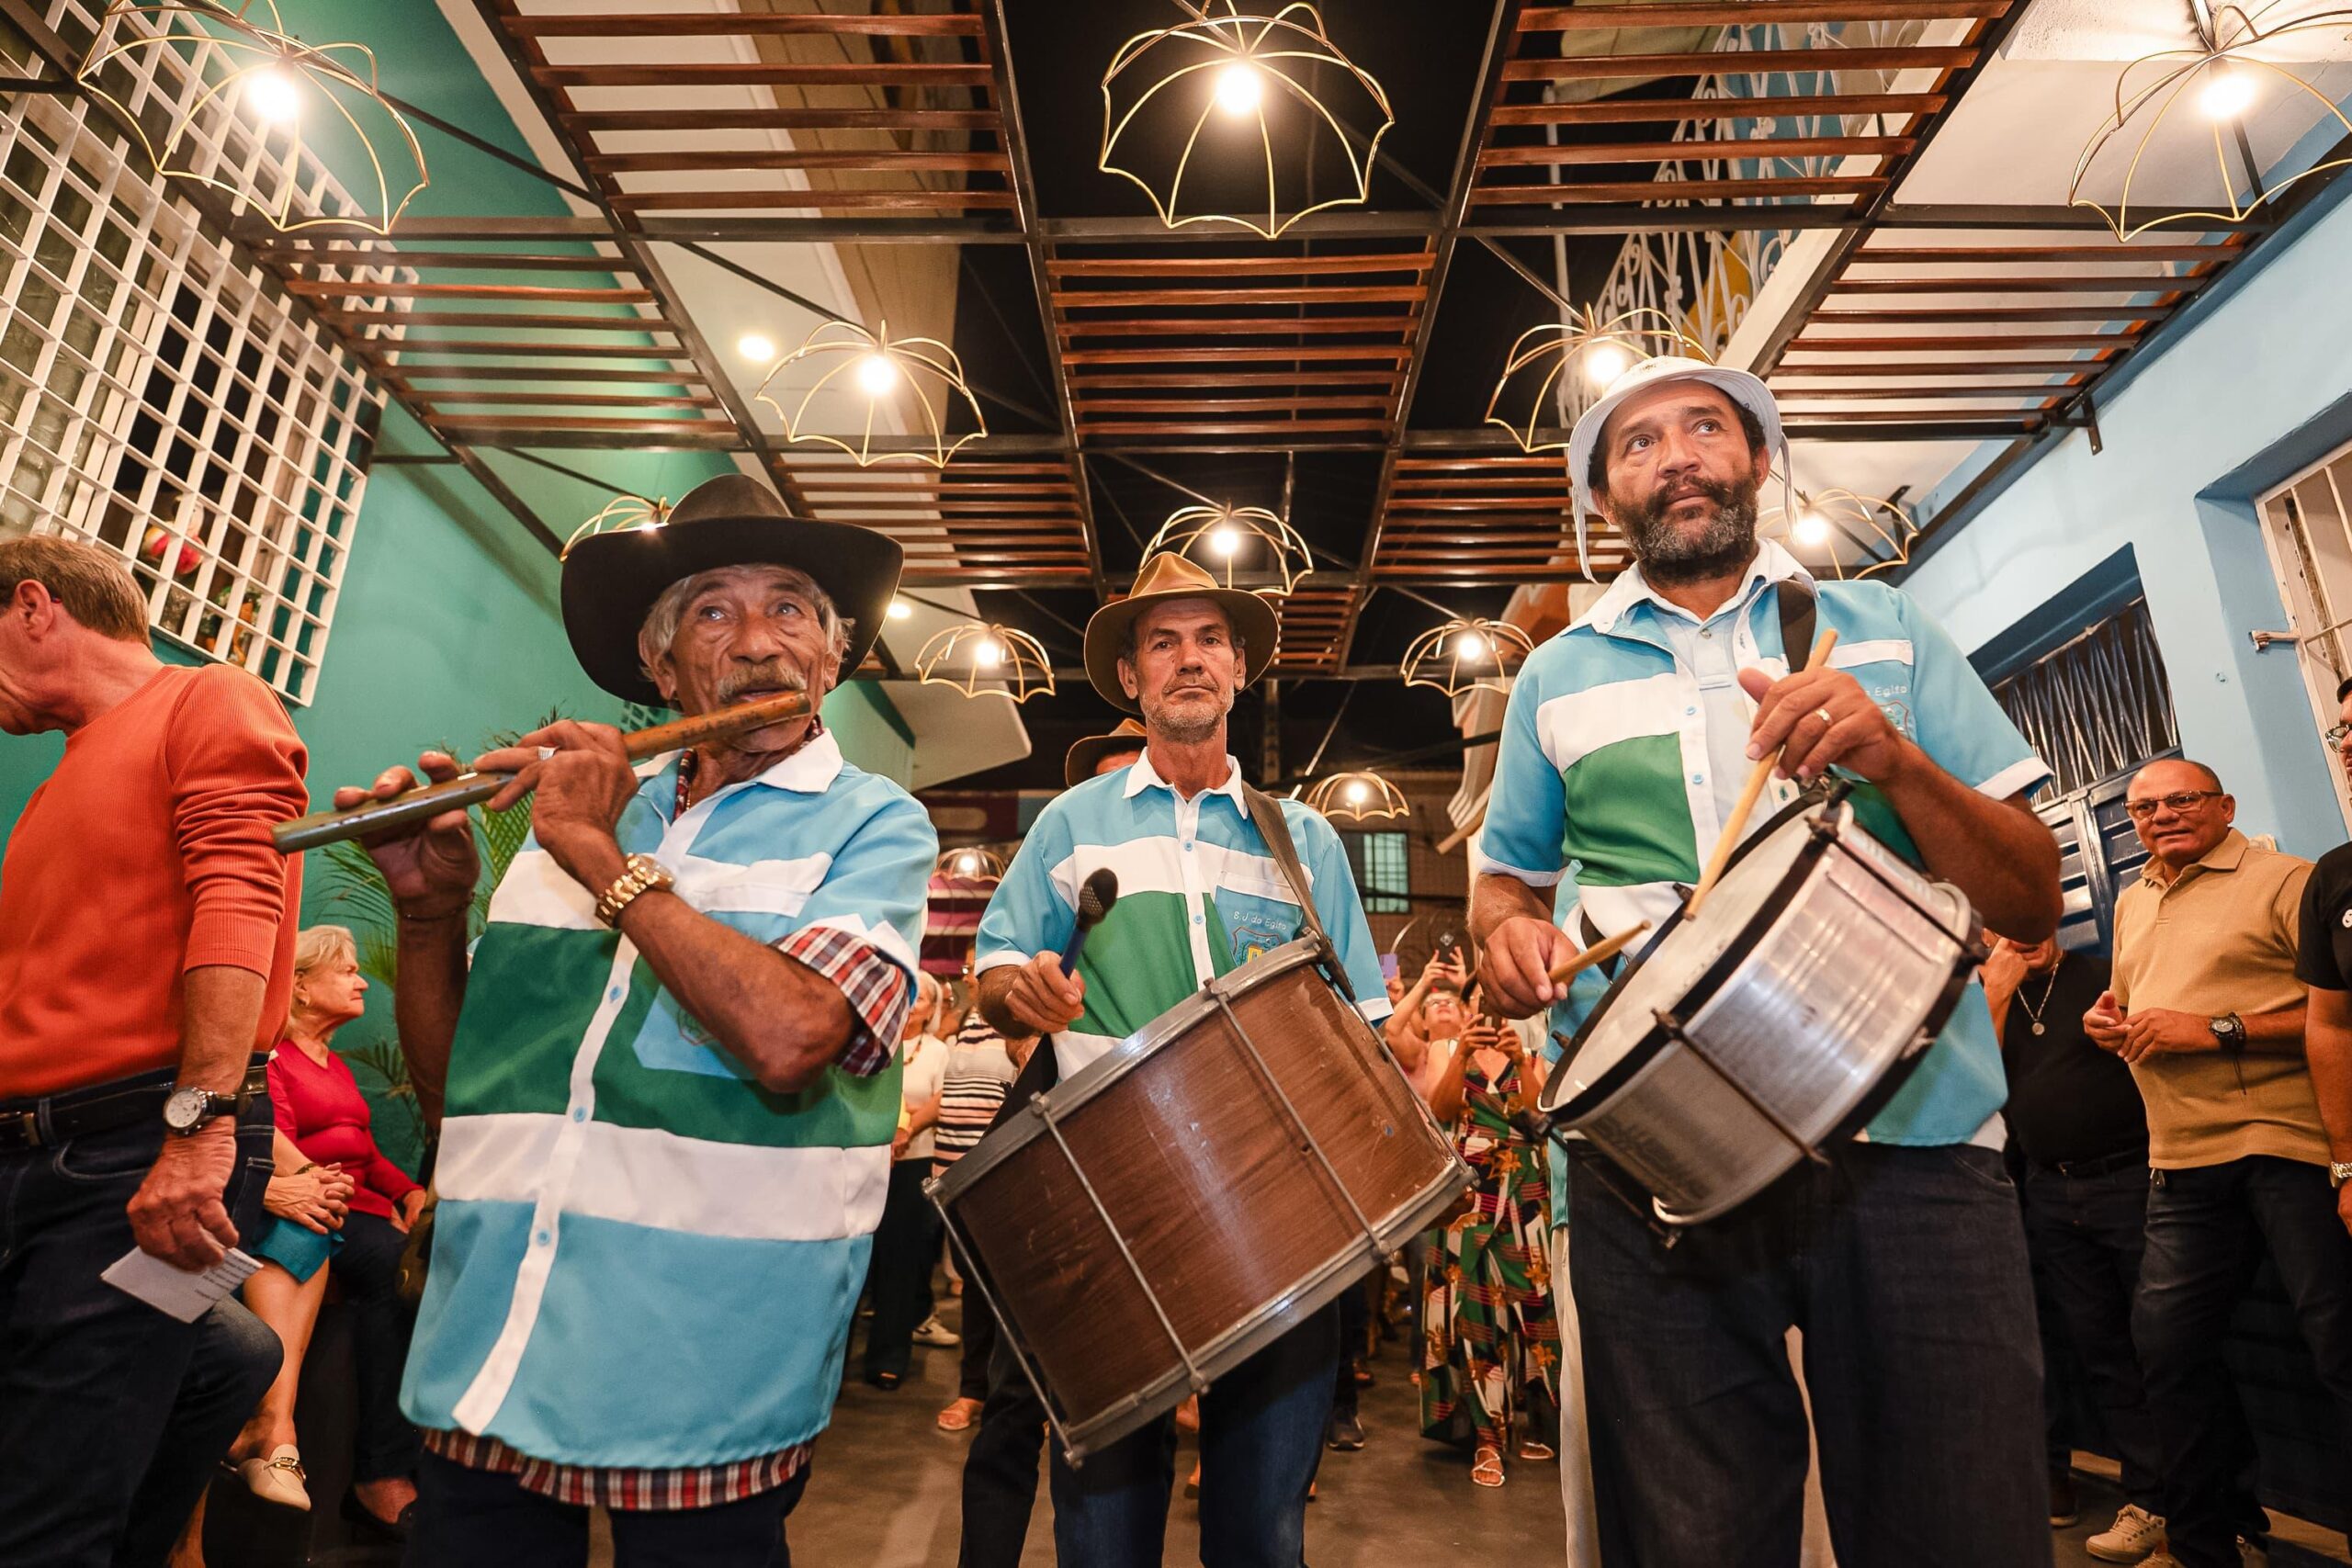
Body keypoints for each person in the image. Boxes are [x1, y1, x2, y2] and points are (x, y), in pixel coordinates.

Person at [1470, 355, 2063, 1566]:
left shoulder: (1883, 628)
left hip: (1914, 1136)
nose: (1675, 457)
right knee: (1691, 1540)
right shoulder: (1553, 678)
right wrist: (1503, 934)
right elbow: (1505, 881)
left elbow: (2029, 891)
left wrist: (1895, 760)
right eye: (1638, 443)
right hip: (1653, 1160)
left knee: (1960, 1526)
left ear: (1756, 459)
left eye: (1704, 427)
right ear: (1604, 499)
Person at [335, 474, 935, 1567]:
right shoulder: (588, 814)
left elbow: (793, 1039)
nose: (756, 642)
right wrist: (428, 916)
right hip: (493, 1342)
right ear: (662, 670)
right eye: (712, 611)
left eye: (789, 609)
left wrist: (598, 855)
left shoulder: (874, 824)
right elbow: (463, 1099)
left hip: (702, 1359)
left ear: (831, 657)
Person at [974, 550, 1392, 1567]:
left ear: (1240, 667)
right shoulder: (1070, 825)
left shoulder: (1303, 841)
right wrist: (1021, 989)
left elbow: (1364, 1031)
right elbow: (992, 972)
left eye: (1209, 639)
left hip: (1280, 1215)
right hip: (1109, 1213)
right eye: (1162, 643)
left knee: (1262, 1535)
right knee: (1103, 1536)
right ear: (1131, 677)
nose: (1188, 659)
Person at [0, 535, 302, 1568]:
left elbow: (240, 895)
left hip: (142, 1141)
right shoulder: (64, 773)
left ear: (34, 606)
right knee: (220, 1356)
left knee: (48, 1512)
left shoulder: (209, 696)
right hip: (40, 1151)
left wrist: (200, 1128)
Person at [2088, 758, 2348, 1568]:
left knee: (2341, 1347)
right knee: (2168, 1353)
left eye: (2182, 799)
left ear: (2225, 805)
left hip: (2289, 1146)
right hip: (2180, 1157)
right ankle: (2209, 1543)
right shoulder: (2134, 899)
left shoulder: (2289, 880)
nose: (2161, 815)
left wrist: (2216, 1029)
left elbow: (2334, 1012)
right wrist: (2112, 1022)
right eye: (2144, 807)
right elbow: (2134, 1004)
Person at [954, 723, 1149, 1568]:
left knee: (1117, 1420)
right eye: (1107, 781)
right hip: (1047, 1184)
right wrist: (1020, 1006)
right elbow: (999, 988)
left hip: (1141, 1176)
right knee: (1013, 1401)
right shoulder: (1059, 877)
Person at [228, 924, 426, 1530]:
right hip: (315, 1206)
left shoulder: (334, 1064)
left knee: (429, 1258)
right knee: (391, 1267)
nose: (362, 981)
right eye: (346, 970)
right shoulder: (275, 1059)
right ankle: (378, 1472)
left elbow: (365, 1149)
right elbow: (280, 1148)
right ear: (301, 986)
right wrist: (328, 1185)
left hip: (353, 1204)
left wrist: (408, 1190)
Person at [1982, 930, 2163, 1561]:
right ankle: (2150, 1502)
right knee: (2103, 1351)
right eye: (2004, 923)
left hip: (2129, 1180)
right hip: (2049, 1195)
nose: (2022, 933)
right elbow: (1978, 1088)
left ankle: (2216, 1509)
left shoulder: (2103, 975)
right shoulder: (1985, 999)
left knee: (2168, 1346)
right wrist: (1993, 993)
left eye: (2033, 918)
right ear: (1984, 933)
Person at [1420, 1010, 1557, 1488]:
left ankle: (1540, 1423)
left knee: (1539, 1312)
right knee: (1475, 1315)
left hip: (1526, 1192)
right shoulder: (1445, 1050)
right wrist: (1461, 1052)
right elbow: (1440, 1111)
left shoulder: (1533, 1056)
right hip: (1470, 1195)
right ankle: (1487, 1439)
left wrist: (1519, 1062)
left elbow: (1541, 1120)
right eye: (1483, 1002)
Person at [932, 1002, 1036, 1426]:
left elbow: (1026, 1060)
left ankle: (1035, 1400)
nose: (972, 976)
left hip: (1006, 1165)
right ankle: (973, 1389)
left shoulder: (1028, 1009)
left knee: (1025, 1290)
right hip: (957, 1168)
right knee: (975, 1285)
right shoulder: (969, 1019)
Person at [862, 971, 954, 1389]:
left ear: (932, 1009)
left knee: (901, 1261)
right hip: (867, 1159)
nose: (913, 1003)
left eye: (921, 997)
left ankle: (889, 1357)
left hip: (913, 1160)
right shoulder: (874, 1042)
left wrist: (906, 1128)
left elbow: (942, 1099)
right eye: (908, 993)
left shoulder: (937, 1051)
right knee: (860, 1256)